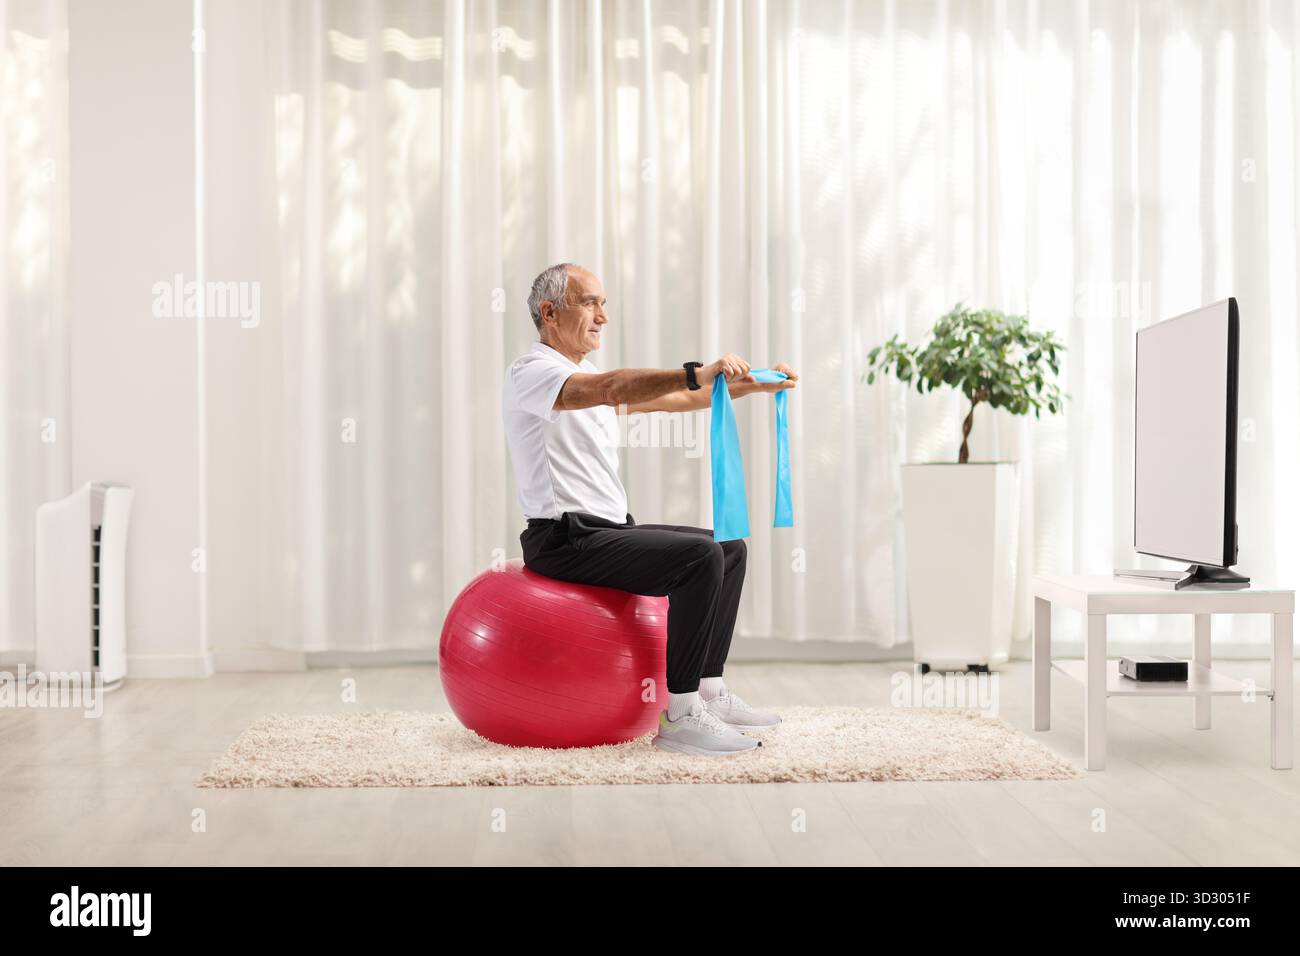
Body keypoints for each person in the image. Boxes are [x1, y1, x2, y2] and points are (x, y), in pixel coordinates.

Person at [502, 262, 798, 756]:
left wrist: (755, 385)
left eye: (604, 304)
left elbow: (669, 400)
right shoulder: (531, 374)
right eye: (590, 302)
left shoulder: (585, 375)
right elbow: (613, 389)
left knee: (728, 548)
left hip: (607, 532)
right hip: (563, 540)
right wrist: (694, 369)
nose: (602, 316)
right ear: (549, 313)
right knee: (698, 558)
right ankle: (680, 716)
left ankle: (707, 691)